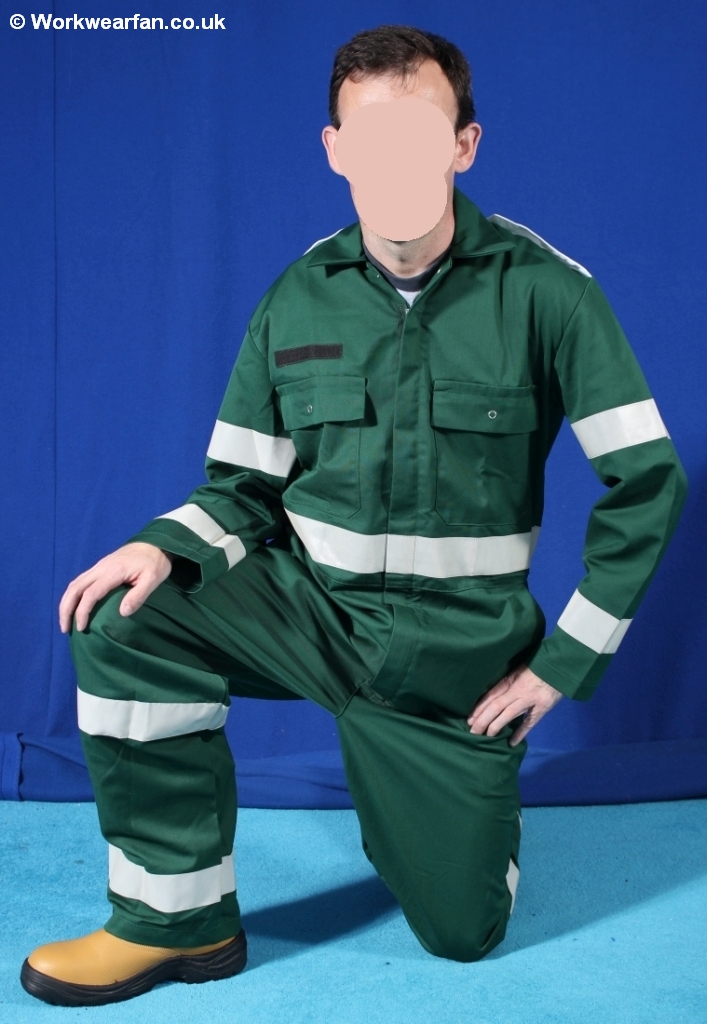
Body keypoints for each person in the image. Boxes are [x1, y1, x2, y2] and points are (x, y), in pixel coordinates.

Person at [21, 24, 687, 1007]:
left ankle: (447, 806)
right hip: (309, 617)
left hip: (452, 663)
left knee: (461, 933)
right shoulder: (295, 297)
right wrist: (160, 546)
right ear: (334, 150)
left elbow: (646, 482)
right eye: (371, 141)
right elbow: (239, 487)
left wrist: (562, 664)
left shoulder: (549, 294)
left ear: (463, 144)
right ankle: (175, 922)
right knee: (127, 616)